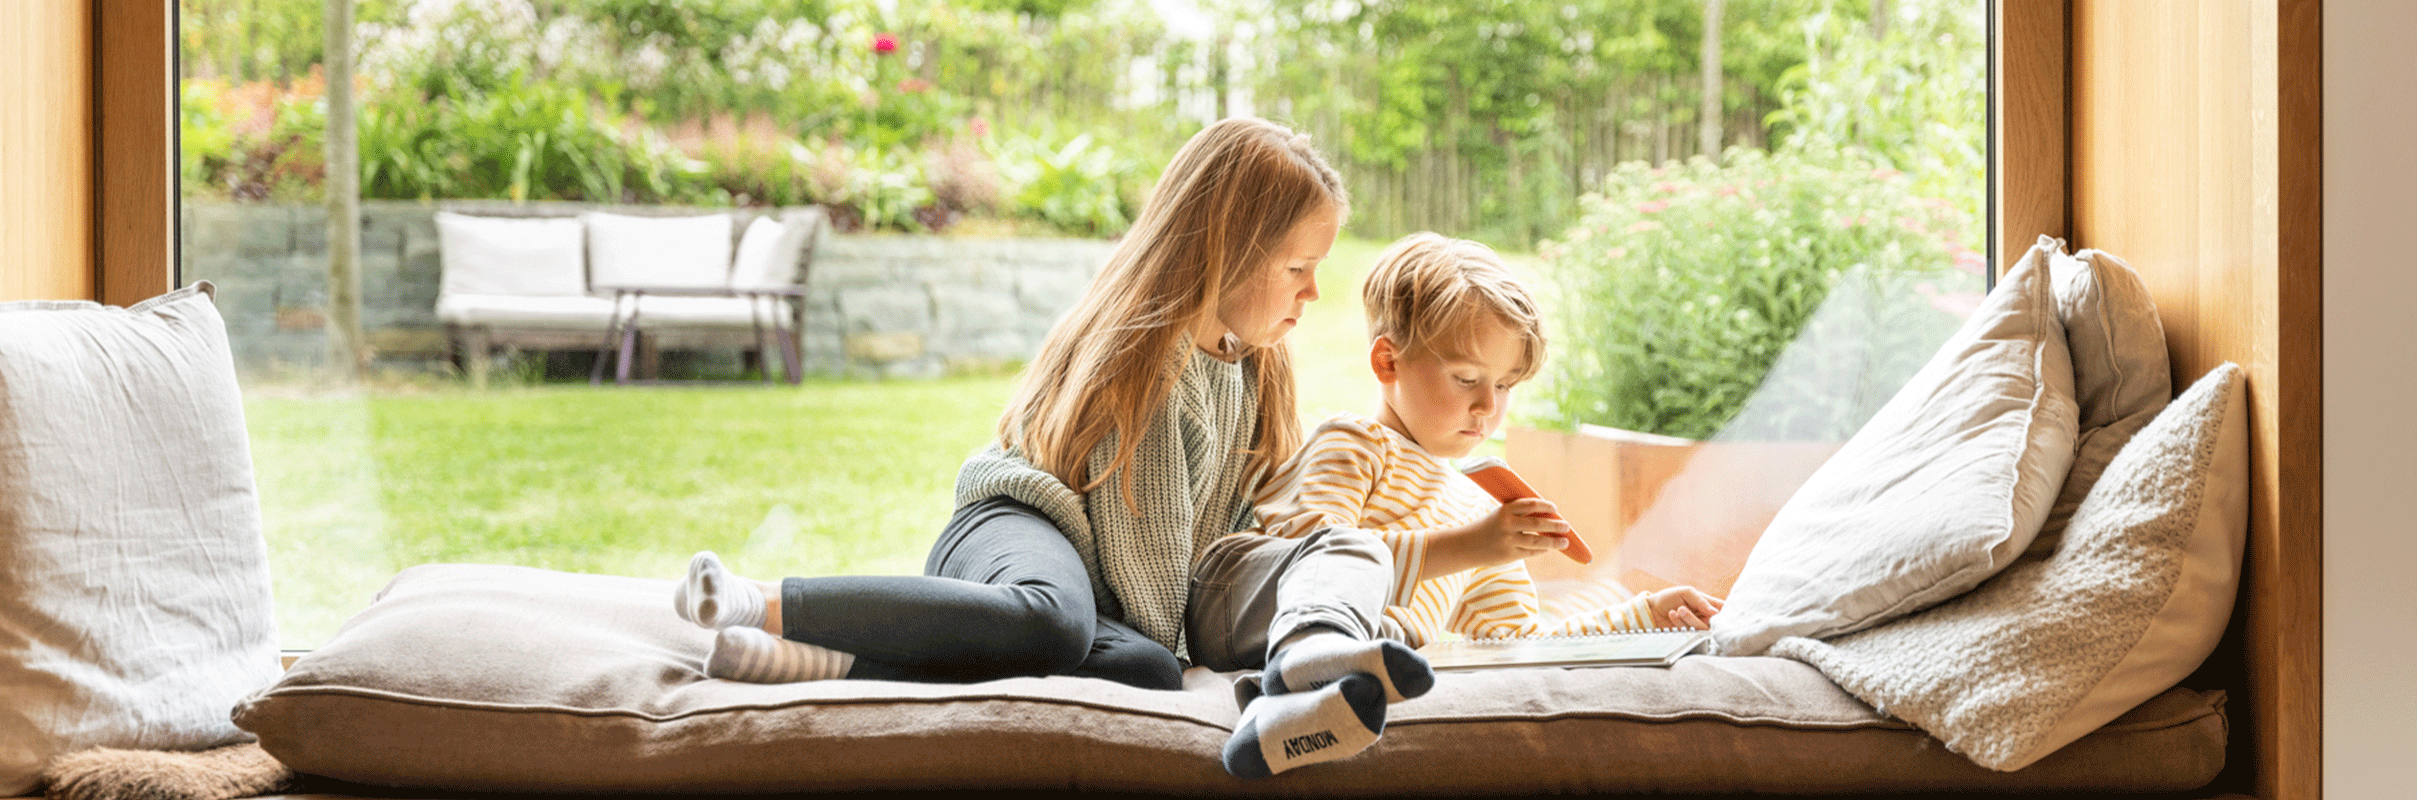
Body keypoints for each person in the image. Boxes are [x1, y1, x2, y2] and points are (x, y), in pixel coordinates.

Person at [667, 116, 1346, 692]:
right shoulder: (1146, 356)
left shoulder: (1257, 365)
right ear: (1227, 249)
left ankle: (834, 658)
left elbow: (1239, 528)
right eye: (1296, 269)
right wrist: (1194, 657)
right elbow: (1151, 556)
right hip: (1023, 528)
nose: (1313, 293)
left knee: (1145, 669)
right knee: (1054, 620)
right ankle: (762, 604)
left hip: (1101, 592)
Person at [1190, 232, 1726, 778]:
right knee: (1347, 564)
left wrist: (1645, 616)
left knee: (1394, 651)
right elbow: (1307, 556)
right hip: (1243, 603)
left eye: (1506, 385)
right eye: (1467, 378)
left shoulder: (1476, 511)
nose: (1487, 406)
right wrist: (1471, 547)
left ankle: (1279, 726)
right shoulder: (1354, 443)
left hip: (1337, 653)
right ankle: (1309, 659)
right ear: (1387, 363)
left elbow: (1519, 644)